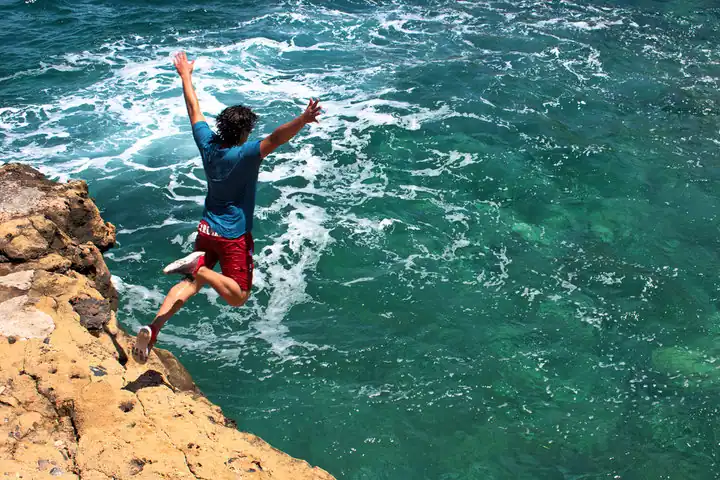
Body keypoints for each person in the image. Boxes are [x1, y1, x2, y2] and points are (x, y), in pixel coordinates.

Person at [132, 52, 322, 362]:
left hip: (206, 229)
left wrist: (185, 75)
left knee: (188, 285)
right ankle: (201, 269)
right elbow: (276, 137)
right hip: (232, 235)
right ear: (245, 132)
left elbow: (193, 108)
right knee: (238, 296)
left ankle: (153, 329)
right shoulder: (246, 154)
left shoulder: (208, 144)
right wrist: (303, 119)